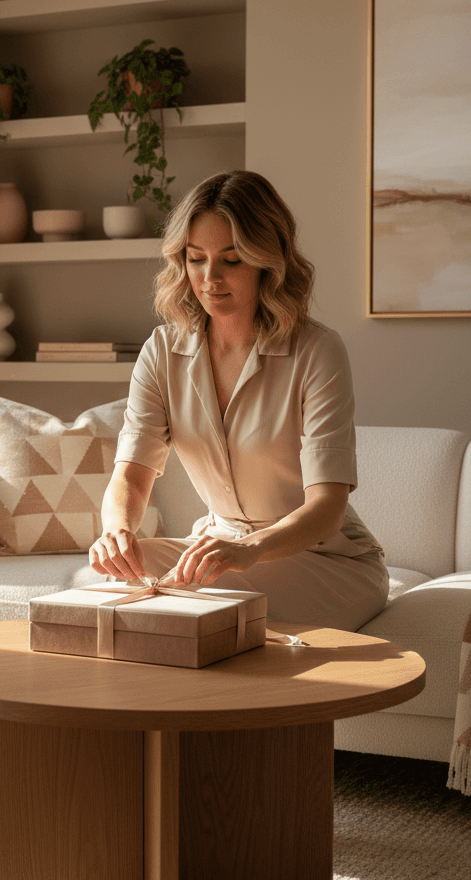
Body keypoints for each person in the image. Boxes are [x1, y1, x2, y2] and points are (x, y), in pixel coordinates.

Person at [88, 170, 389, 632]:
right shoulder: (162, 352)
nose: (210, 279)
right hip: (221, 548)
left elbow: (327, 507)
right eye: (196, 259)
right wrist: (117, 532)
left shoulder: (316, 351)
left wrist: (251, 549)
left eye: (231, 261)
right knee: (105, 582)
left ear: (267, 262)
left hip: (325, 560)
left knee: (193, 604)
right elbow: (131, 474)